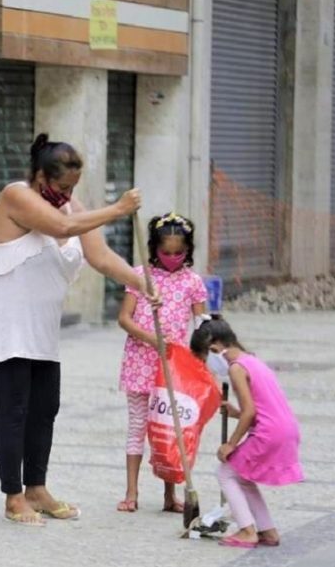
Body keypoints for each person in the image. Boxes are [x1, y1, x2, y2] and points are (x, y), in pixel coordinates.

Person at [0, 133, 157, 527]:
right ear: (40, 177)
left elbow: (98, 255)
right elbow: (62, 227)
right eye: (63, 186)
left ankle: (37, 488)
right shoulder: (16, 197)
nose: (67, 194)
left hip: (39, 325)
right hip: (4, 320)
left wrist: (141, 283)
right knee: (14, 409)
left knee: (45, 406)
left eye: (73, 188)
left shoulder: (68, 205)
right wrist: (117, 208)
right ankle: (13, 497)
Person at [115, 213, 207, 514]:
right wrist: (151, 338)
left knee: (169, 428)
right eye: (164, 253)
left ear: (188, 250)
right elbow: (124, 319)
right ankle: (131, 492)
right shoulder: (140, 277)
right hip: (140, 364)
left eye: (178, 253)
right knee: (138, 426)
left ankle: (170, 495)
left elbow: (202, 323)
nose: (171, 258)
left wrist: (201, 357)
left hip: (173, 369)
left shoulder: (193, 282)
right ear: (153, 248)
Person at [190, 318, 304, 549]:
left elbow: (250, 412)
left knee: (225, 473)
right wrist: (236, 413)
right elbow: (258, 407)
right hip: (285, 429)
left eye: (205, 359)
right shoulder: (251, 360)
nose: (209, 366)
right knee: (242, 477)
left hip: (269, 432)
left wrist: (230, 444)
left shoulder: (236, 368)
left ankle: (247, 530)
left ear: (215, 348)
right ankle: (266, 530)